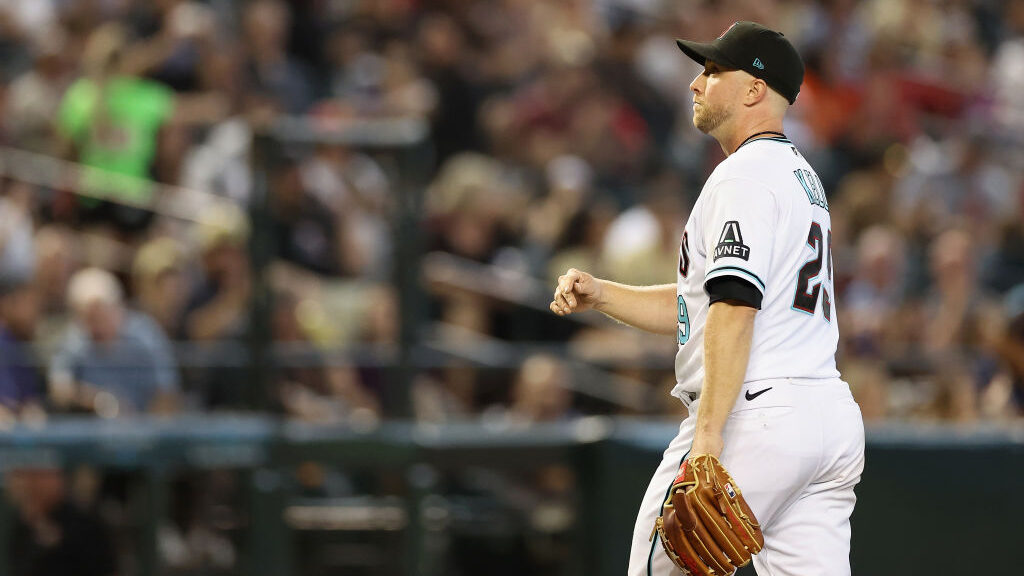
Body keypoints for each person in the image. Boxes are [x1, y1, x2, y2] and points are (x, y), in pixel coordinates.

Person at [550, 22, 865, 576]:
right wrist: (603, 295)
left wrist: (709, 436)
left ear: (754, 91)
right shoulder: (800, 176)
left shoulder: (744, 176)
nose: (696, 83)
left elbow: (735, 306)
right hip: (827, 416)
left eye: (714, 71)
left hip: (755, 411)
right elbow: (704, 300)